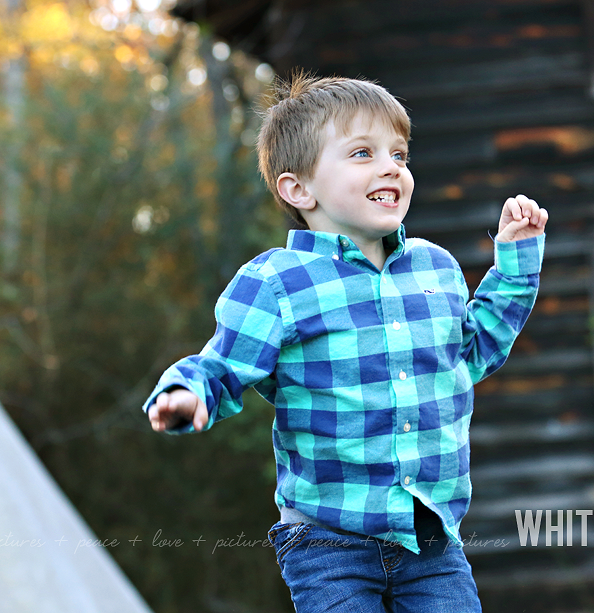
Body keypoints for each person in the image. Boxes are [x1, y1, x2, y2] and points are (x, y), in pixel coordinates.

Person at [144, 74, 548, 612]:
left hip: (431, 540)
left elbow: (471, 356)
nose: (391, 167)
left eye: (399, 154)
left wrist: (515, 263)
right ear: (299, 189)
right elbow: (221, 365)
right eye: (363, 153)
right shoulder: (277, 282)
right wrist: (188, 393)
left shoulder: (436, 268)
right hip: (328, 544)